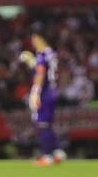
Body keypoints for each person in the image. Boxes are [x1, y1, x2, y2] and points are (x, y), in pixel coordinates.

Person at [27, 33, 66, 166]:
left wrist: (35, 91)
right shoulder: (51, 53)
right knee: (47, 124)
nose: (33, 43)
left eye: (35, 39)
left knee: (41, 123)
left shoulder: (42, 54)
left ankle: (47, 155)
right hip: (52, 91)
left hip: (44, 92)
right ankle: (58, 151)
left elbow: (41, 72)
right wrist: (33, 63)